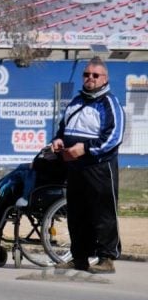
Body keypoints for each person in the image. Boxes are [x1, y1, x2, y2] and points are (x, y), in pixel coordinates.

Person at [51, 57, 124, 274]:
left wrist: (86, 148)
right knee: (77, 213)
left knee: (103, 213)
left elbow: (114, 137)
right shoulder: (76, 101)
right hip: (75, 168)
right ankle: (80, 257)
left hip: (99, 168)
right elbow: (64, 128)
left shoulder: (109, 103)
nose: (90, 78)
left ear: (105, 79)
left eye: (95, 75)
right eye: (86, 74)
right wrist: (58, 140)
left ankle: (106, 258)